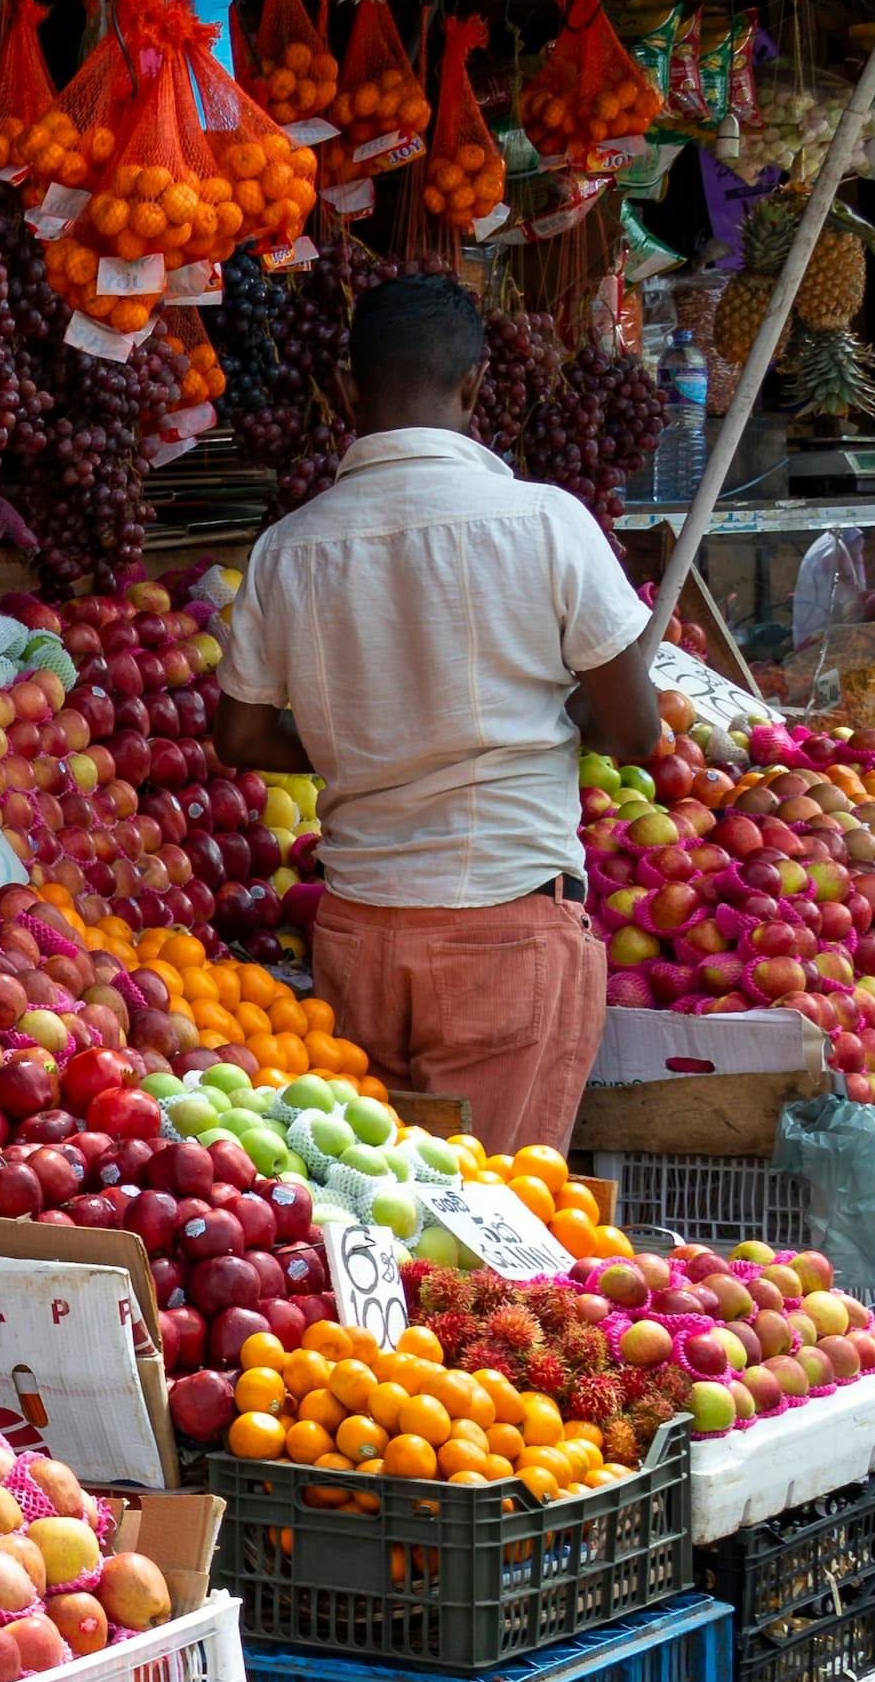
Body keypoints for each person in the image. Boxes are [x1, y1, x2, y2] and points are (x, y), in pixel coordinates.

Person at [218, 275, 662, 1158]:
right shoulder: (545, 524)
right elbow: (636, 732)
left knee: (381, 1213)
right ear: (474, 387)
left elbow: (241, 737)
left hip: (356, 931)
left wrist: (363, 740)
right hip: (503, 923)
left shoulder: (288, 549)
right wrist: (567, 713)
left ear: (345, 392)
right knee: (491, 1225)